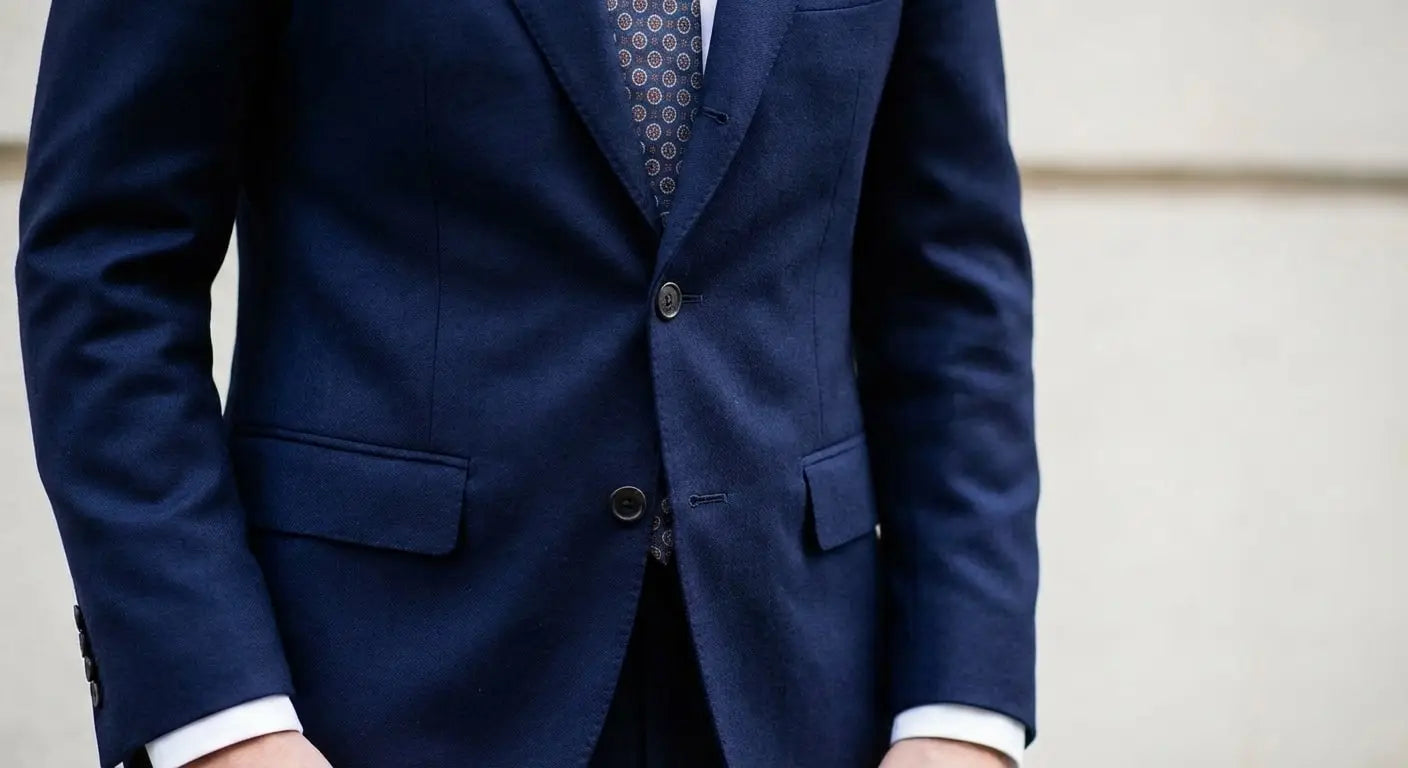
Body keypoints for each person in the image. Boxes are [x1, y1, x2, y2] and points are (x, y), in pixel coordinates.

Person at [15, 0, 1039, 765]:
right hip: (370, 700)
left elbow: (950, 293)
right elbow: (108, 274)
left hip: (800, 702)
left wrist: (960, 713)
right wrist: (222, 721)